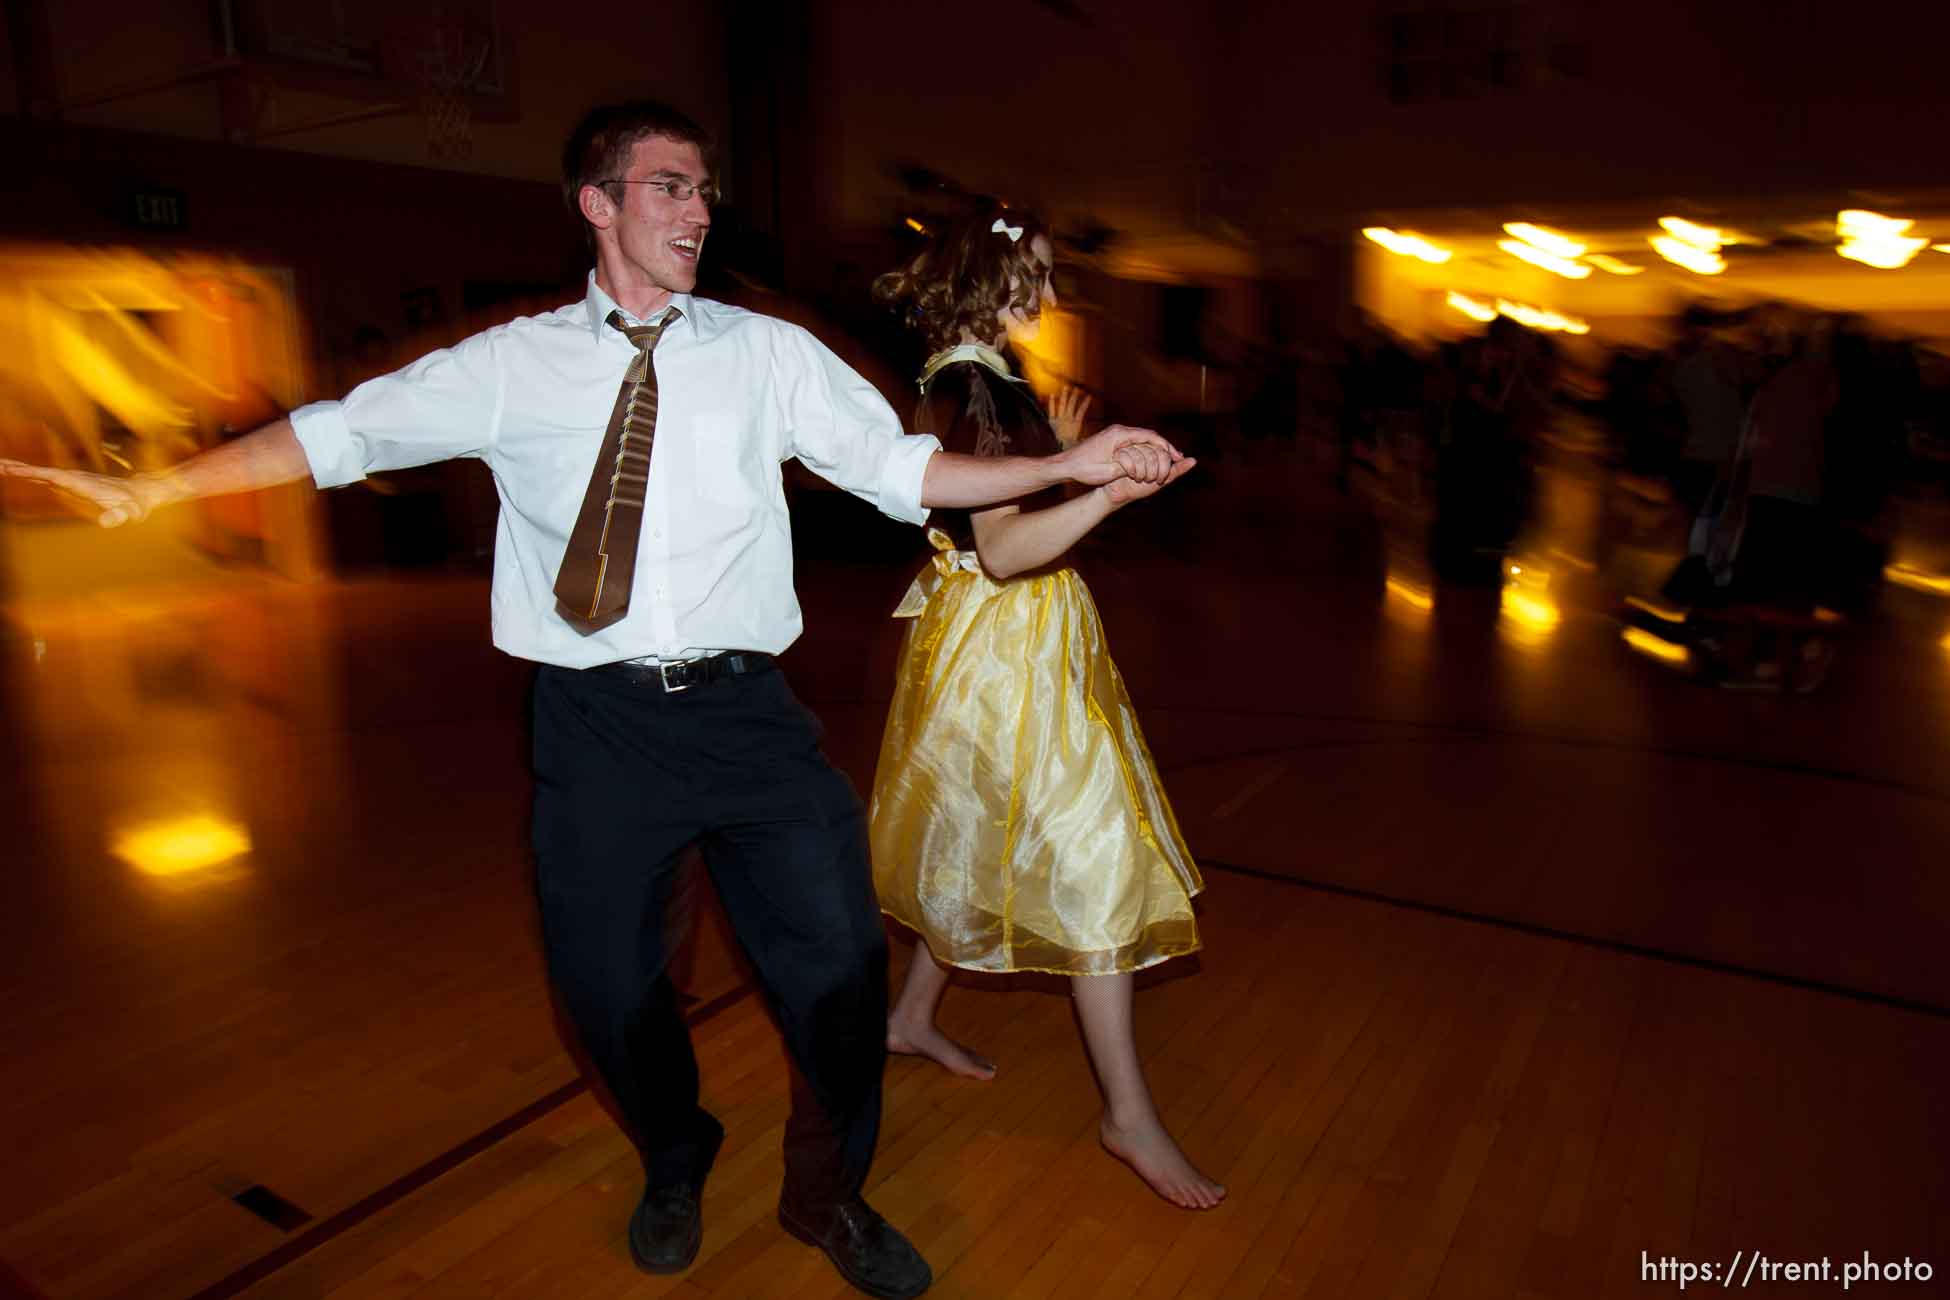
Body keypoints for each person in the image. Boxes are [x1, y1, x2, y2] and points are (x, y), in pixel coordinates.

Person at [0, 101, 1186, 1299]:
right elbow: (338, 434)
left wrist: (1064, 465)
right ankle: (677, 1155)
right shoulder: (514, 363)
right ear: (599, 202)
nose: (699, 208)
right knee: (608, 995)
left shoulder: (766, 352)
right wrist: (148, 492)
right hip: (595, 725)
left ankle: (830, 1194)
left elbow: (903, 471)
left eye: (705, 188)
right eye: (670, 185)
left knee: (837, 972)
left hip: (747, 719)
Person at [867, 208, 1225, 1211]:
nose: (1050, 293)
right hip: (1006, 646)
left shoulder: (978, 372)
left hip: (1005, 642)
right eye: (1033, 272)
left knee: (987, 833)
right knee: (1094, 853)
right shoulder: (972, 378)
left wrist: (1066, 448)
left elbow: (999, 512)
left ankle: (908, 1018)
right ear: (990, 272)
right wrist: (1107, 486)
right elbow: (1009, 550)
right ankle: (1128, 1115)